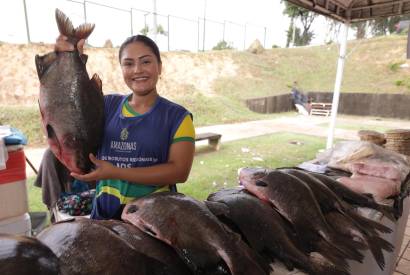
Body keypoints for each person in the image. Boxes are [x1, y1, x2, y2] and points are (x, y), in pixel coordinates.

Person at [55, 34, 195, 220]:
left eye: (146, 62)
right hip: (104, 216)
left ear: (159, 67)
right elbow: (71, 109)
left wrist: (115, 172)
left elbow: (179, 172)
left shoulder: (178, 117)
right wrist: (68, 60)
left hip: (152, 219)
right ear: (121, 69)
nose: (137, 70)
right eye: (128, 64)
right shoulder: (106, 105)